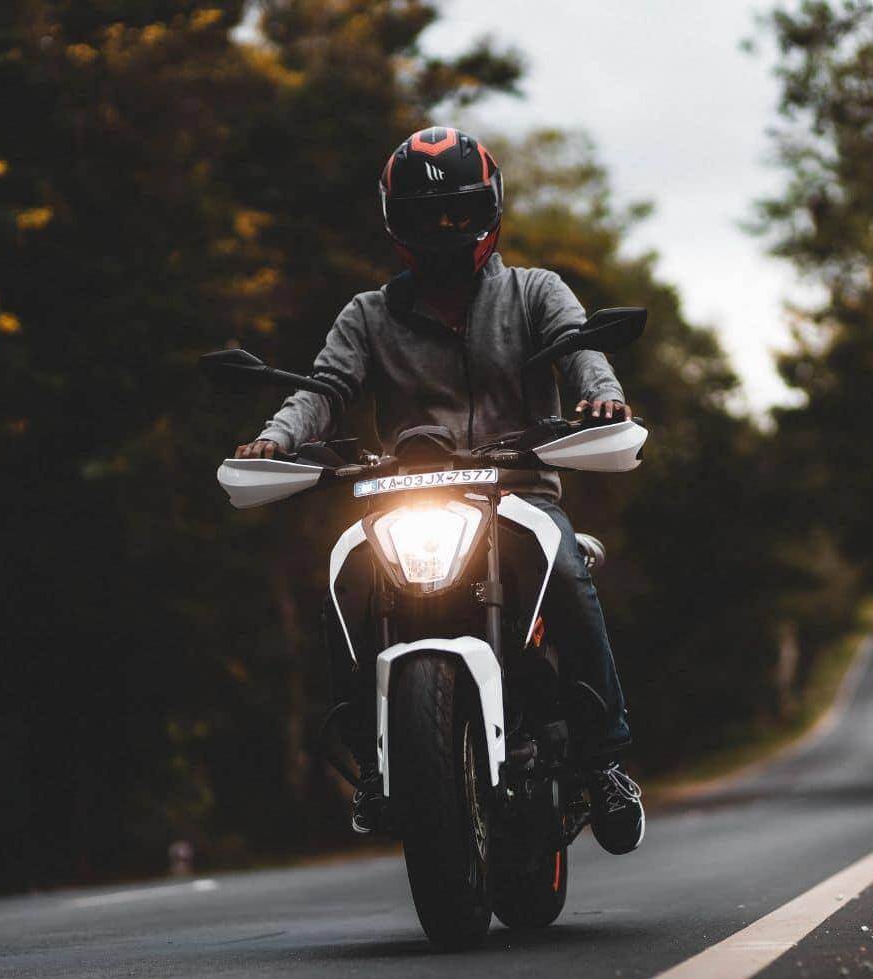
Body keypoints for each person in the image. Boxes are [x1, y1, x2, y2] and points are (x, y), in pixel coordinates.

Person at [234, 127, 644, 855]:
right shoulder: (367, 315)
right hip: (403, 499)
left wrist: (602, 399)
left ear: (488, 210)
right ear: (398, 224)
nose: (444, 231)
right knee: (341, 574)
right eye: (427, 219)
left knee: (570, 570)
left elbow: (581, 351)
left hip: (516, 493)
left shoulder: (534, 292)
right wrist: (277, 439)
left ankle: (606, 759)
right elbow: (325, 390)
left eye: (458, 214)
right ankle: (370, 761)